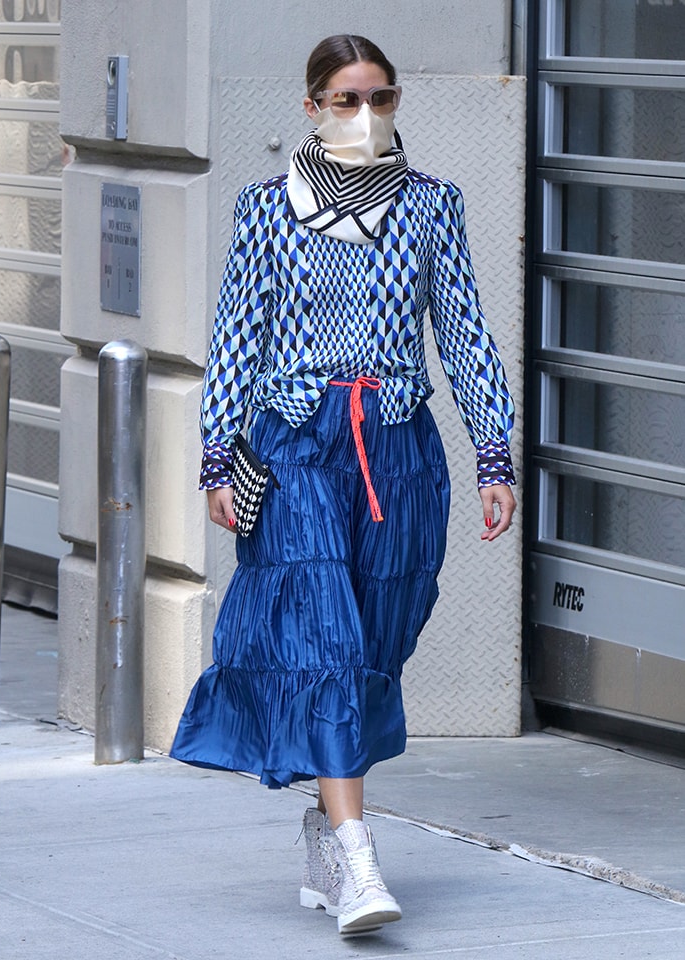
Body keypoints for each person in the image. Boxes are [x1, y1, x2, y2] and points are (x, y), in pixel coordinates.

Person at [171, 34, 516, 937]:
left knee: (371, 645)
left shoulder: (434, 205)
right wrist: (217, 453)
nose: (366, 116)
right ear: (311, 108)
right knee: (325, 636)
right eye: (346, 100)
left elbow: (467, 334)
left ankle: (328, 833)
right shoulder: (266, 210)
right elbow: (237, 333)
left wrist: (493, 454)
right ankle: (360, 862)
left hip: (399, 453)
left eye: (382, 98)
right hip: (295, 451)